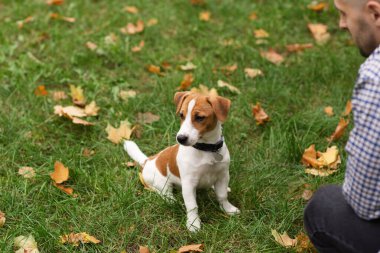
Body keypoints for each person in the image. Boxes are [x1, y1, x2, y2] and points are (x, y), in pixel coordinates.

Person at [304, 0, 380, 252]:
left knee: (324, 207)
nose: (341, 24)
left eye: (344, 14)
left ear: (375, 13)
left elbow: (365, 203)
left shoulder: (375, 78)